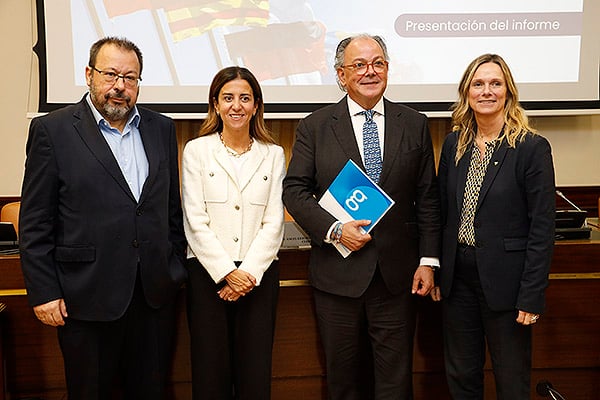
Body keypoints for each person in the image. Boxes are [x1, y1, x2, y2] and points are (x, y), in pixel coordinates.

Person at [19, 36, 187, 400]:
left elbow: (170, 210)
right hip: (85, 298)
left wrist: (173, 270)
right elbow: (35, 222)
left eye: (130, 78)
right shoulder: (53, 130)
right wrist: (44, 292)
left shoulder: (160, 128)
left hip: (153, 297)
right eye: (110, 74)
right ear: (89, 74)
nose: (119, 87)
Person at [283, 34, 441, 399]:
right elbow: (294, 190)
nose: (370, 72)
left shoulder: (414, 123)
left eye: (378, 63)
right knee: (343, 382)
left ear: (387, 68)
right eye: (359, 65)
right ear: (341, 75)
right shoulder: (316, 126)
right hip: (337, 279)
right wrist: (335, 229)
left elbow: (427, 198)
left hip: (397, 278)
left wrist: (428, 260)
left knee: (395, 383)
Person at [436, 53, 555, 399]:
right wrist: (440, 271)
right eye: (478, 84)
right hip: (458, 283)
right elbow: (444, 214)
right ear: (467, 93)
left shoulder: (531, 148)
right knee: (462, 378)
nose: (486, 91)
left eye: (495, 83)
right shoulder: (452, 145)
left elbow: (542, 228)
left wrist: (532, 295)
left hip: (508, 286)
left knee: (511, 381)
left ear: (508, 92)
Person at [181, 66, 285, 400]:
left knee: (255, 373)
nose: (236, 106)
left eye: (245, 98)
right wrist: (227, 272)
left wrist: (247, 274)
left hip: (258, 276)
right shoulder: (196, 150)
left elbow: (274, 222)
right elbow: (194, 220)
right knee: (210, 373)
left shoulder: (273, 154)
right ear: (215, 104)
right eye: (228, 98)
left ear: (256, 105)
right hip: (208, 275)